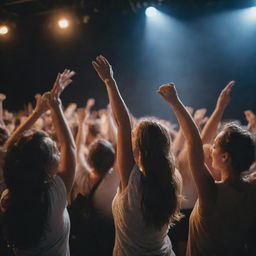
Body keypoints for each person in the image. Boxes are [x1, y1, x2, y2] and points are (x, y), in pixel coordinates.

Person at [92, 55, 182, 256]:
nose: (130, 135)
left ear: (139, 146)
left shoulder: (132, 181)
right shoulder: (172, 178)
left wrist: (110, 81)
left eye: (134, 135)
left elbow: (123, 124)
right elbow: (125, 126)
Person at [158, 82, 256, 256]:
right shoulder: (252, 188)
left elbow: (194, 142)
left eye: (215, 146)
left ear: (225, 157)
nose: (210, 148)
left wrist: (175, 102)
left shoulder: (211, 192)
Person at [0, 69, 76, 256]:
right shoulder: (55, 194)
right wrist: (55, 105)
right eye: (54, 151)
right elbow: (70, 147)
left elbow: (9, 152)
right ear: (43, 166)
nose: (59, 151)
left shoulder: (9, 196)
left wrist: (38, 112)